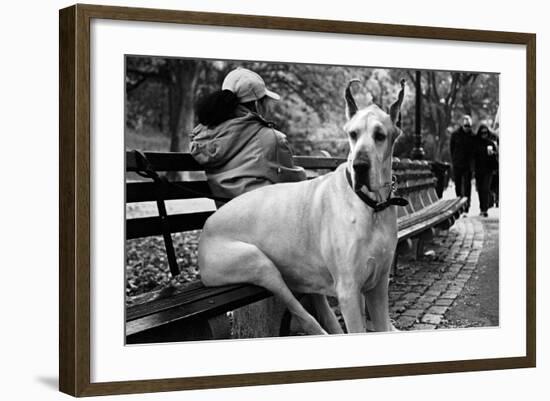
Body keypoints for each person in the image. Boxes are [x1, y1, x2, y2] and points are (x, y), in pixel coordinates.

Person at [190, 68, 307, 202]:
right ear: (257, 104)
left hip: (224, 217)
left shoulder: (205, 138)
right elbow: (296, 184)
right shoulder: (272, 139)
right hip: (260, 218)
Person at [450, 115, 476, 214]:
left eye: (468, 126)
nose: (467, 128)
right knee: (458, 185)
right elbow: (451, 149)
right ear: (462, 125)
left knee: (467, 186)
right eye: (465, 126)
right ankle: (459, 203)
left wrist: (472, 165)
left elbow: (474, 152)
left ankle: (467, 205)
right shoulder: (455, 135)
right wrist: (454, 160)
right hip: (457, 163)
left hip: (468, 165)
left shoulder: (473, 136)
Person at [473, 123, 499, 217]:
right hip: (479, 170)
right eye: (482, 133)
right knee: (480, 189)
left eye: (486, 133)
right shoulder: (475, 143)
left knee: (486, 189)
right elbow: (473, 155)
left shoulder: (490, 143)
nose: (484, 135)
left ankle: (485, 209)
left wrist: (493, 154)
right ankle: (482, 208)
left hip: (488, 170)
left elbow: (495, 157)